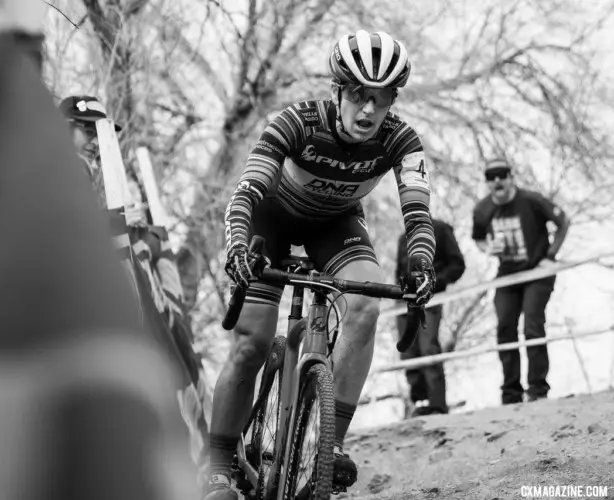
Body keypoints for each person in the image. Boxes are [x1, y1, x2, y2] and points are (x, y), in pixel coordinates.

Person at [205, 29, 437, 499]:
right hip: (271, 220)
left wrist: (421, 261)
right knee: (250, 342)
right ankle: (217, 464)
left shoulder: (401, 140)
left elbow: (417, 211)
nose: (369, 110)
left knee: (367, 305)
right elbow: (247, 193)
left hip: (333, 227)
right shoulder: (296, 122)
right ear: (338, 92)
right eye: (358, 96)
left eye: (381, 99)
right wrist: (236, 249)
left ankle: (329, 448)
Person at [472, 158, 570, 405]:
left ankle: (538, 389)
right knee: (505, 327)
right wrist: (488, 248)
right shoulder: (482, 210)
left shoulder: (531, 200)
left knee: (532, 326)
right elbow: (478, 238)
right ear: (487, 182)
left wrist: (550, 256)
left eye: (502, 175)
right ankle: (511, 393)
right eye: (491, 176)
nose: (497, 180)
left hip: (537, 271)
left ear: (510, 177)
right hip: (507, 274)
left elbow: (563, 221)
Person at [395, 218, 465, 417]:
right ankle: (420, 403)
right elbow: (398, 272)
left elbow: (458, 265)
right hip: (402, 303)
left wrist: (433, 283)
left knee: (428, 349)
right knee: (408, 352)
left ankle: (437, 405)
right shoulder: (403, 238)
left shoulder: (441, 230)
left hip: (430, 300)